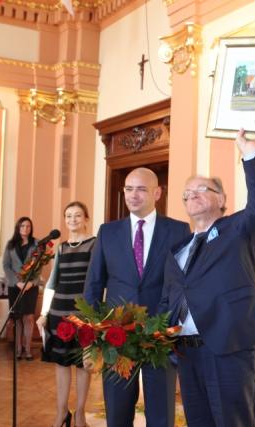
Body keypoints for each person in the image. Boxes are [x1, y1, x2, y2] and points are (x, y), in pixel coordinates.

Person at [158, 129, 255, 427]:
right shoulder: (177, 249)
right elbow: (169, 297)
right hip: (187, 352)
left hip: (229, 348)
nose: (192, 195)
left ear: (221, 199)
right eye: (187, 194)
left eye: (201, 189)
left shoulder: (238, 230)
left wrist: (250, 154)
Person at [84, 167, 190, 427]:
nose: (133, 195)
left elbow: (184, 286)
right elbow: (94, 283)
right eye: (129, 189)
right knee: (117, 414)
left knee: (161, 415)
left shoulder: (178, 230)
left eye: (141, 189)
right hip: (116, 338)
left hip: (160, 337)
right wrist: (92, 334)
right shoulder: (107, 232)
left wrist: (174, 329)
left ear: (157, 193)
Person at [36, 201, 95, 427]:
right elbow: (52, 282)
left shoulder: (94, 244)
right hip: (58, 311)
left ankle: (80, 413)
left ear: (86, 219)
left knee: (82, 364)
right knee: (61, 363)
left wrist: (94, 315)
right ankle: (61, 412)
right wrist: (44, 313)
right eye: (68, 216)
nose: (72, 220)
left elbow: (97, 281)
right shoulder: (60, 248)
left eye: (77, 215)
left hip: (82, 312)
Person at [2, 216, 40, 361]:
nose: (25, 228)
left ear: (31, 228)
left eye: (28, 226)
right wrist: (16, 282)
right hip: (15, 286)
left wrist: (32, 282)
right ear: (18, 228)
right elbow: (6, 266)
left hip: (31, 287)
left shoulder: (37, 244)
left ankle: (28, 349)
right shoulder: (10, 244)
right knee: (17, 318)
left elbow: (40, 266)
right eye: (22, 226)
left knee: (28, 317)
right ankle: (18, 349)